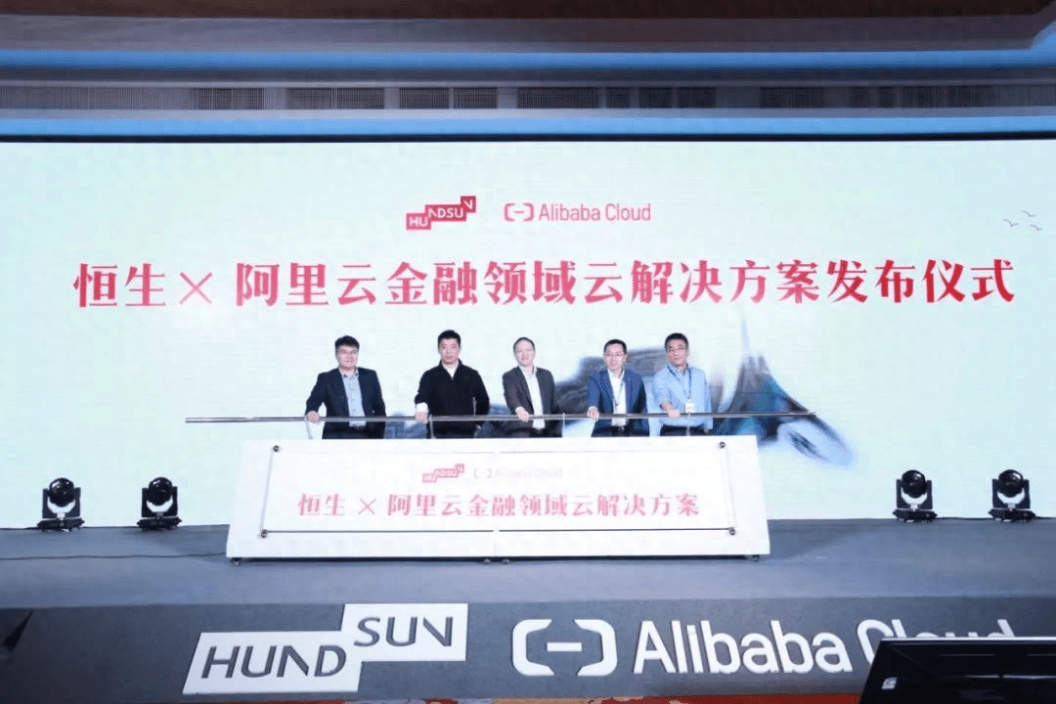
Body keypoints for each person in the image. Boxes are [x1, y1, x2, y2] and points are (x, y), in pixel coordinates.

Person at [304, 335, 387, 439]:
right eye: (344, 352)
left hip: (367, 436)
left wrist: (378, 436)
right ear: (336, 355)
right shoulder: (326, 379)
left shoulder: (370, 376)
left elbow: (380, 408)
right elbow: (313, 402)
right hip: (337, 437)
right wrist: (312, 412)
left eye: (353, 352)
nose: (349, 356)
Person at [414, 330, 490, 438]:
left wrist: (477, 425)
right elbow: (422, 397)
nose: (448, 352)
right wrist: (421, 410)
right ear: (439, 349)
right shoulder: (430, 375)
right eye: (444, 347)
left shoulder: (471, 374)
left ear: (459, 349)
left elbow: (483, 401)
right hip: (437, 436)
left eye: (453, 347)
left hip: (466, 436)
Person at [652, 332, 713, 436]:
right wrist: (669, 409)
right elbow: (661, 395)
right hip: (672, 431)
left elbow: (707, 402)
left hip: (698, 432)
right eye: (671, 350)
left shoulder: (699, 375)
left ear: (687, 352)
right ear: (667, 354)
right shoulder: (661, 376)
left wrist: (708, 428)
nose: (676, 353)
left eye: (680, 349)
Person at [586, 338, 649, 437]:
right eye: (609, 354)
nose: (613, 359)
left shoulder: (636, 378)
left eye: (617, 355)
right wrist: (592, 408)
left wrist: (645, 434)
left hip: (632, 433)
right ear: (604, 357)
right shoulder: (597, 378)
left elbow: (643, 409)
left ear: (624, 357)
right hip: (604, 433)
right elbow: (593, 396)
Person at [502, 336, 562, 438]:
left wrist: (557, 432)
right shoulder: (510, 376)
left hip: (548, 434)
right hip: (523, 432)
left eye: (528, 350)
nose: (524, 354)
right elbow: (511, 397)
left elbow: (554, 405)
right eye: (520, 351)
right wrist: (519, 409)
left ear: (534, 353)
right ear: (515, 355)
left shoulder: (546, 375)